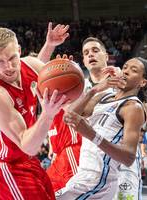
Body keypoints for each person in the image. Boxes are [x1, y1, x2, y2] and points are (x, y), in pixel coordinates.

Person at [0, 22, 69, 200]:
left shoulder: (31, 65)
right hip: (8, 167)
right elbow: (29, 146)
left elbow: (45, 75)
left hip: (28, 162)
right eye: (0, 61)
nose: (8, 66)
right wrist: (48, 114)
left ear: (19, 50)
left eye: (12, 58)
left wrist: (51, 47)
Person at [60, 57, 147, 199]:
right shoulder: (103, 97)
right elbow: (69, 117)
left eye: (133, 70)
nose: (126, 72)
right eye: (125, 67)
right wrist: (94, 90)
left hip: (101, 180)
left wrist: (91, 134)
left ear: (143, 82)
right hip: (84, 175)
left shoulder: (134, 106)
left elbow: (128, 157)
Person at [38, 37, 113, 193]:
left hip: (108, 156)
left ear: (106, 56)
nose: (91, 55)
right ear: (84, 61)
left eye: (95, 50)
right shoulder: (80, 85)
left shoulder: (120, 81)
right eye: (86, 53)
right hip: (83, 154)